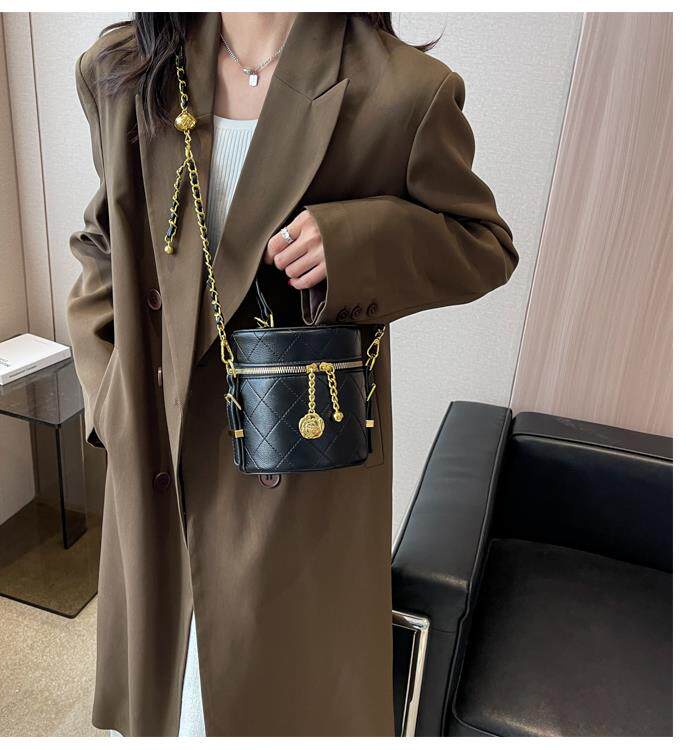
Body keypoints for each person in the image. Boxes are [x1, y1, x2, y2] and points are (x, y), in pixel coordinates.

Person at [67, 11, 519, 737]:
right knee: (164, 700)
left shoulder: (401, 92)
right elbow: (102, 243)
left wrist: (355, 244)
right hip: (155, 460)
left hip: (294, 487)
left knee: (269, 706)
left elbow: (484, 244)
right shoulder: (128, 67)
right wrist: (109, 400)